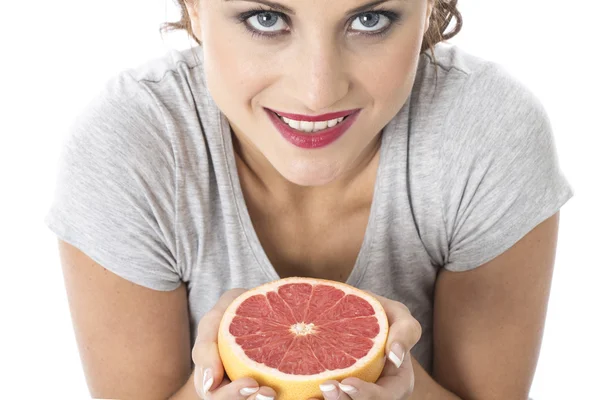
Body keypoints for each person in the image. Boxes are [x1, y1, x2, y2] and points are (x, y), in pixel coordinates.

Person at [45, 0, 573, 399]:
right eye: (267, 19)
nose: (318, 91)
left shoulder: (487, 134)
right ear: (194, 9)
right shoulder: (135, 146)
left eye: (370, 20)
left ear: (431, 6)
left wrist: (406, 390)